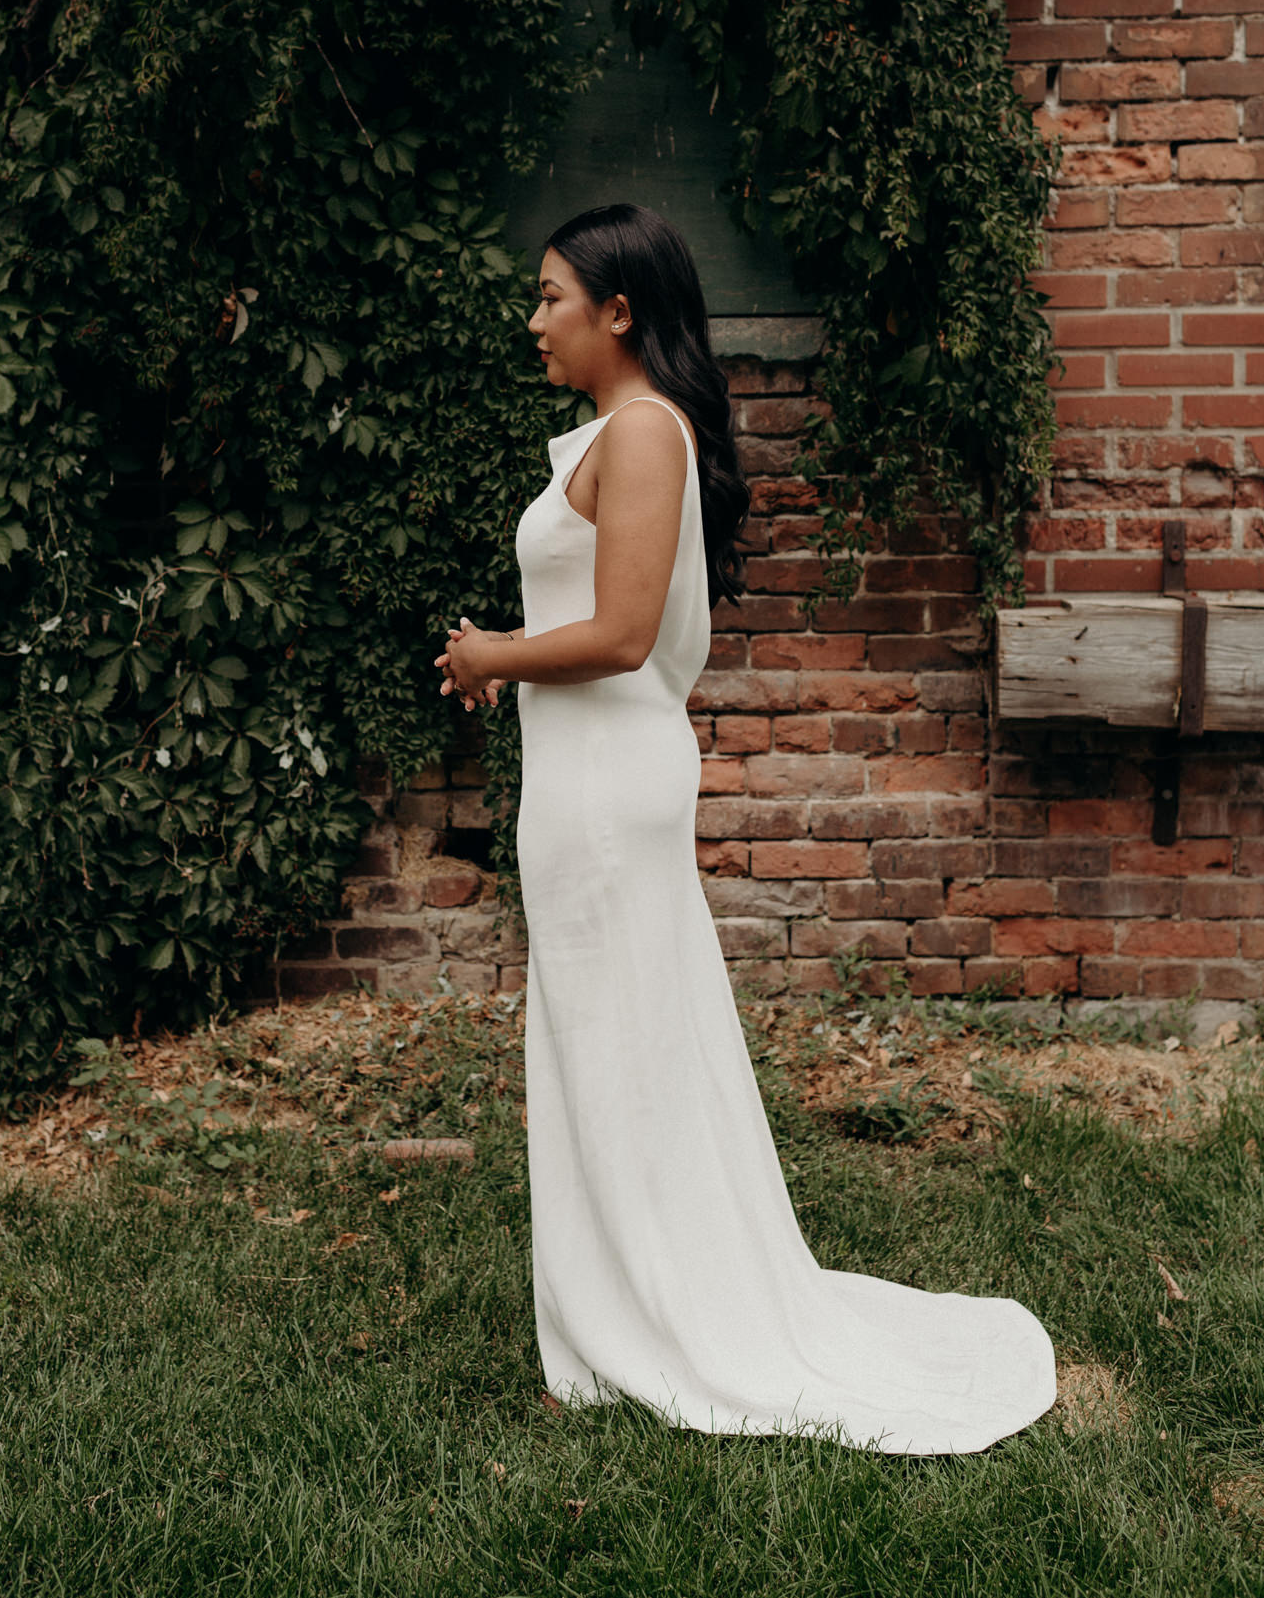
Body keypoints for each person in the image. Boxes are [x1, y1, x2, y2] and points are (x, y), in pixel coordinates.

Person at [434, 201, 1055, 1454]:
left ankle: (661, 1325)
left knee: (625, 1053)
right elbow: (603, 623)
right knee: (599, 1048)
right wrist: (511, 666)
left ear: (619, 310)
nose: (534, 318)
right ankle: (615, 1314)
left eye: (552, 295)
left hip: (607, 790)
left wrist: (492, 649)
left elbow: (618, 637)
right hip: (582, 778)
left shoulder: (645, 431)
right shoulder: (619, 433)